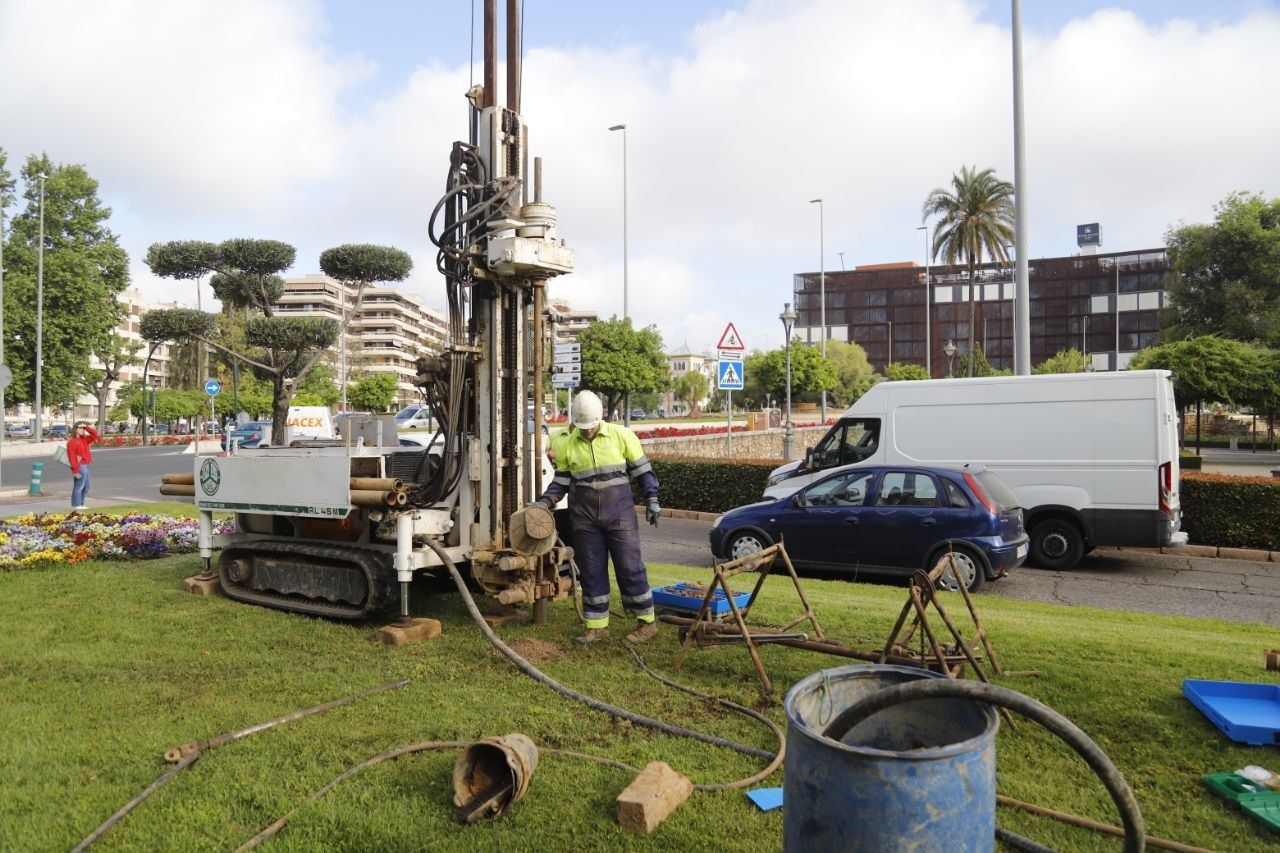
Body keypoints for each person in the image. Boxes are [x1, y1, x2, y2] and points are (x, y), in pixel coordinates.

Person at [534, 390, 662, 645]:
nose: (586, 432)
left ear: (600, 418)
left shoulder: (621, 436)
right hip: (584, 518)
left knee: (630, 567)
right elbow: (561, 482)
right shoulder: (568, 444)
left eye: (590, 427)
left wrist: (652, 499)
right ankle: (596, 626)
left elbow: (643, 472)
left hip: (620, 516)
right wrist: (545, 502)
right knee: (591, 571)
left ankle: (646, 623)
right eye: (582, 428)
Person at [68, 421, 100, 511]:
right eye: (80, 428)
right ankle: (76, 505)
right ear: (75, 429)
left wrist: (87, 427)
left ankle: (81, 504)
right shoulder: (72, 442)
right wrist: (75, 471)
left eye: (83, 428)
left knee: (86, 487)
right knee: (79, 486)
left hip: (86, 465)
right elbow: (72, 457)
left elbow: (95, 435)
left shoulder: (84, 439)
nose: (82, 430)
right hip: (80, 466)